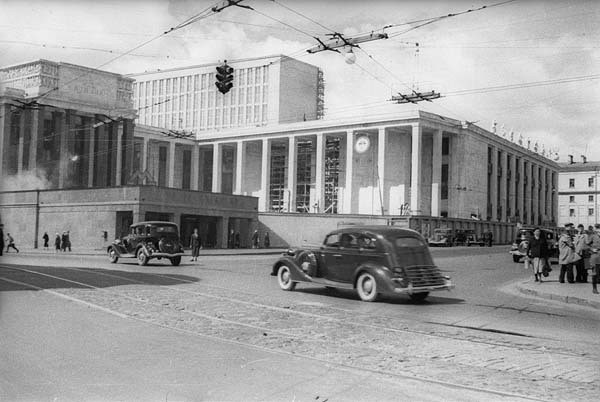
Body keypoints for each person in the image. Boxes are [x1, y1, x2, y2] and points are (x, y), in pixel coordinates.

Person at [588, 224, 600, 294]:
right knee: (594, 273)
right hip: (595, 256)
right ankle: (594, 288)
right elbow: (587, 244)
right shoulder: (593, 237)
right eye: (598, 229)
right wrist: (592, 249)